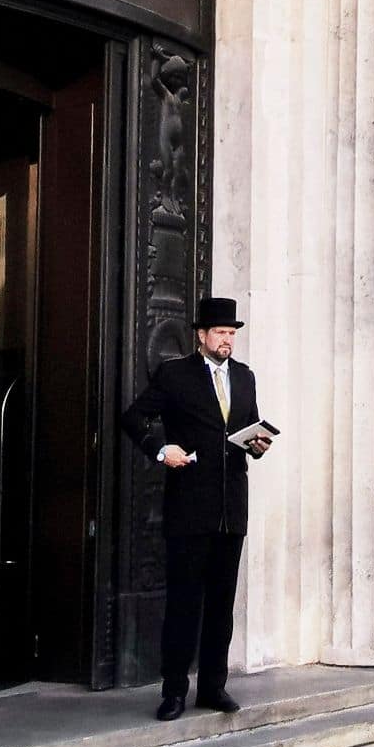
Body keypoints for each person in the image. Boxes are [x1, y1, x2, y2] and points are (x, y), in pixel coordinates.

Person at [123, 296, 272, 720]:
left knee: (221, 606)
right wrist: (160, 450)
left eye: (232, 334)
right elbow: (133, 418)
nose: (227, 340)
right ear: (201, 335)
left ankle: (213, 687)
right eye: (220, 333)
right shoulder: (175, 375)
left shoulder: (245, 378)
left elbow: (248, 430)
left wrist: (257, 445)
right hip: (189, 509)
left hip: (231, 510)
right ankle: (173, 692)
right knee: (185, 605)